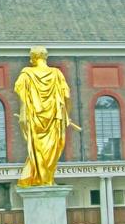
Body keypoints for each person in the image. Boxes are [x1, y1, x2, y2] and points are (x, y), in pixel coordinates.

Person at [13, 45, 79, 187]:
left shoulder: (26, 74)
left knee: (38, 150)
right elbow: (67, 96)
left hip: (35, 119)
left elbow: (22, 95)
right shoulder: (57, 74)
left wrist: (23, 114)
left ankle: (42, 180)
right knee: (52, 151)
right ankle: (47, 180)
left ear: (33, 58)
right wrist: (67, 115)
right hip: (55, 119)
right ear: (45, 57)